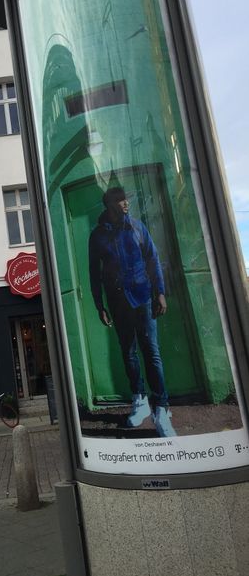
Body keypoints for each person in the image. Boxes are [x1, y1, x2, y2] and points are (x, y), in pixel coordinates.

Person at [88, 186, 176, 437]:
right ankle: (140, 402)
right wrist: (99, 305)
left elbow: (152, 258)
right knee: (129, 353)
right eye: (120, 200)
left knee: (152, 352)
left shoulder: (137, 227)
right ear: (109, 205)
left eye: (127, 199)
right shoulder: (97, 236)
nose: (126, 203)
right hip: (117, 302)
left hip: (143, 298)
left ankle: (161, 409)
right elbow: (94, 273)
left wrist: (159, 292)